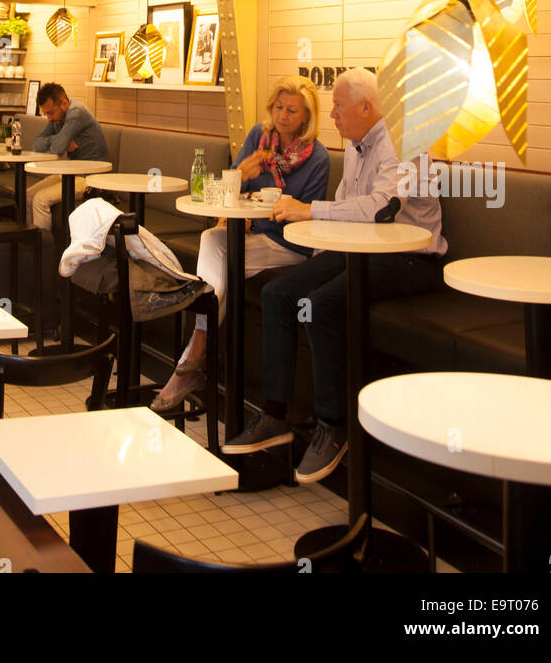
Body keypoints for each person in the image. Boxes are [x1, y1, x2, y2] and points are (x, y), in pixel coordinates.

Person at [222, 68, 447, 483]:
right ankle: (275, 415)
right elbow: (346, 205)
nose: (334, 117)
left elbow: (382, 207)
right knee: (279, 293)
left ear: (367, 107)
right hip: (358, 250)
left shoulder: (400, 141)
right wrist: (316, 259)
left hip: (409, 258)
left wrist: (310, 210)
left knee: (322, 304)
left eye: (339, 108)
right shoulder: (359, 145)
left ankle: (334, 425)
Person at [152, 77, 330, 411]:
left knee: (219, 269)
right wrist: (242, 175)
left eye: (292, 110)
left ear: (306, 116)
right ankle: (195, 356)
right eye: (279, 107)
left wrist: (265, 211)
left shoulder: (317, 157)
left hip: (288, 245)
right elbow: (223, 193)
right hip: (253, 236)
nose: (283, 115)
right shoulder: (257, 138)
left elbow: (308, 215)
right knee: (211, 241)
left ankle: (192, 361)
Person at [29, 83, 109, 231]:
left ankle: (43, 248)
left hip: (90, 179)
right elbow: (37, 144)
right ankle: (27, 243)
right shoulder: (57, 118)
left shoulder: (76, 112)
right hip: (71, 173)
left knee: (40, 200)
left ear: (64, 104)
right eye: (46, 114)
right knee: (28, 195)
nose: (48, 118)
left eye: (50, 113)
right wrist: (58, 138)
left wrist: (60, 141)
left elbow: (57, 150)